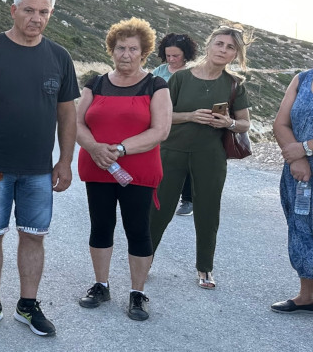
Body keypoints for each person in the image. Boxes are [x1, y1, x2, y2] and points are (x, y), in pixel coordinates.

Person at [0, 0, 79, 337]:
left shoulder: (59, 57)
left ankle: (27, 305)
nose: (36, 18)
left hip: (38, 170)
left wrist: (65, 161)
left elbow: (67, 115)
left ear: (50, 14)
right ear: (13, 10)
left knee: (34, 236)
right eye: (28, 10)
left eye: (43, 12)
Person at [76, 18, 172, 320]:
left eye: (133, 49)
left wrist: (121, 148)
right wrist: (94, 148)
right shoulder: (95, 83)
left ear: (143, 53)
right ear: (111, 50)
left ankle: (137, 293)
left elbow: (161, 130)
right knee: (100, 226)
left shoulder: (156, 85)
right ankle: (100, 285)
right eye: (121, 48)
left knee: (138, 230)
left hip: (138, 171)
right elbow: (77, 123)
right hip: (98, 166)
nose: (126, 54)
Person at [149, 25, 251, 289]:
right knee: (159, 209)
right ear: (209, 45)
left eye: (230, 47)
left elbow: (244, 124)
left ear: (235, 54)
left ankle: (205, 268)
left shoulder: (234, 84)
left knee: (208, 212)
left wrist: (227, 123)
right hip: (171, 151)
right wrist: (191, 116)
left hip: (211, 156)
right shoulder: (181, 78)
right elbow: (159, 116)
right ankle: (144, 258)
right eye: (219, 44)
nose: (223, 50)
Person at [271, 70, 313, 313]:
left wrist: (304, 149)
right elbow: (281, 123)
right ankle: (307, 295)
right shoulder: (302, 79)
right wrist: (296, 159)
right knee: (300, 227)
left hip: (301, 155)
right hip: (299, 171)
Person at [152, 32, 199, 216]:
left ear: (185, 54)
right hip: (161, 122)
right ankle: (158, 195)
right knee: (160, 159)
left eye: (176, 56)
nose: (171, 59)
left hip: (185, 123)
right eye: (168, 55)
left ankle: (188, 200)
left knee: (186, 164)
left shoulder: (193, 73)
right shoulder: (159, 71)